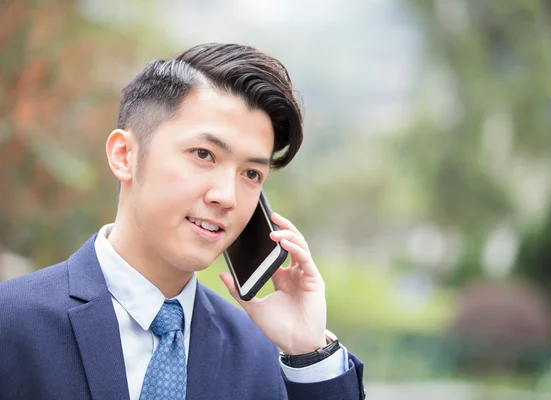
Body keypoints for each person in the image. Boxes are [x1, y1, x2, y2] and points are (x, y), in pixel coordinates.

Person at [0, 43, 365, 400]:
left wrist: (308, 352)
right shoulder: (13, 323)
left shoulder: (263, 354)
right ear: (124, 155)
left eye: (251, 173)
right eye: (204, 154)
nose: (227, 196)